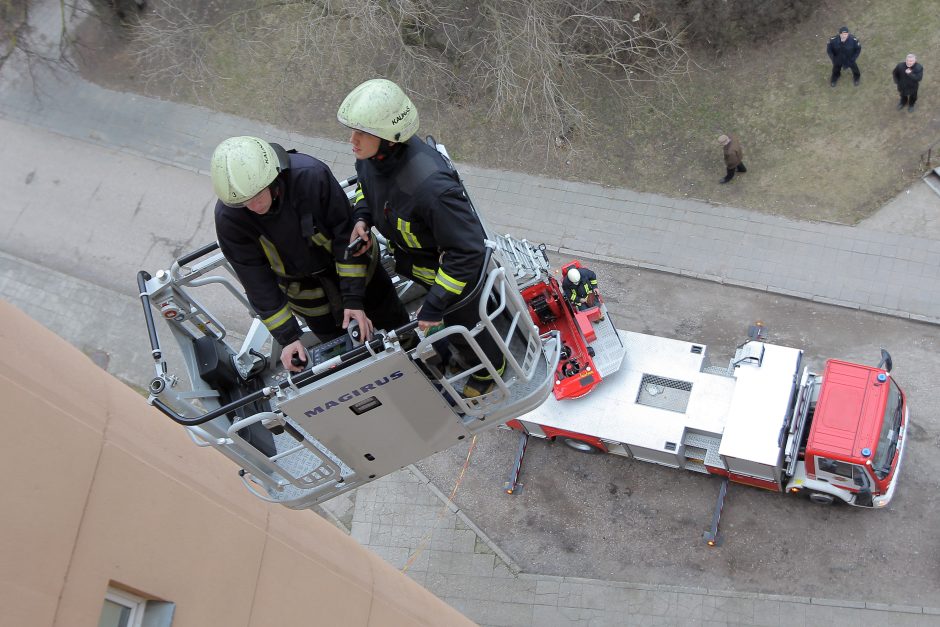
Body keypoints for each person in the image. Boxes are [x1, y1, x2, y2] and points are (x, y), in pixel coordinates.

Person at [336, 78, 504, 398]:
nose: (352, 140)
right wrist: (362, 218)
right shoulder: (372, 159)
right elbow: (365, 188)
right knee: (454, 329)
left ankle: (489, 371)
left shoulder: (431, 187)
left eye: (361, 133)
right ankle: (465, 354)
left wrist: (435, 306)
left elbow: (467, 252)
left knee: (469, 327)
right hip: (425, 270)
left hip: (456, 281)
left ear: (389, 137)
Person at [210, 136, 409, 373]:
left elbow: (346, 235)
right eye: (243, 203)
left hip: (364, 280)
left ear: (272, 176)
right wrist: (289, 338)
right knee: (348, 358)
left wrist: (353, 299)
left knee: (397, 328)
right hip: (311, 303)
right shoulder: (229, 218)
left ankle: (416, 363)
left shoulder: (311, 176)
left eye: (256, 196)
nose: (253, 207)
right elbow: (257, 282)